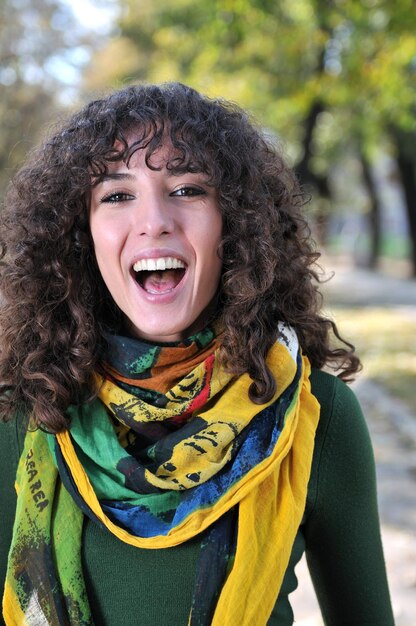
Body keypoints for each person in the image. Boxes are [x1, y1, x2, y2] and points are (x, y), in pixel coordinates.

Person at [0, 82, 394, 626]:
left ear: (235, 224)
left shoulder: (317, 418)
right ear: (79, 234)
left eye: (186, 189)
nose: (154, 220)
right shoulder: (24, 413)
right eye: (116, 195)